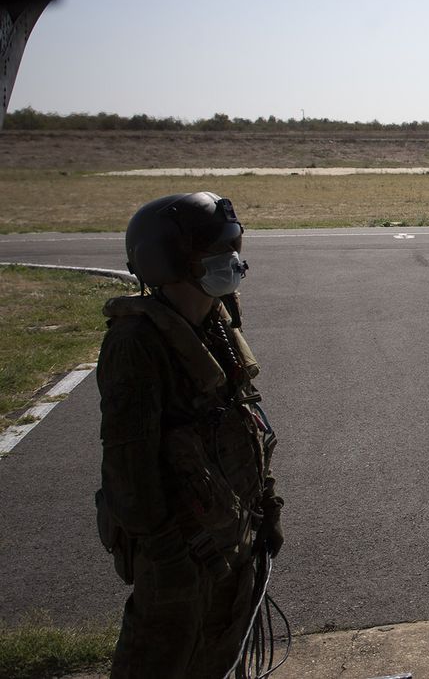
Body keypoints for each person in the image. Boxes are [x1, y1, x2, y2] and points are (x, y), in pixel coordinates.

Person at [94, 192, 283, 678]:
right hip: (181, 559)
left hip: (233, 542)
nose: (232, 263)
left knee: (222, 658)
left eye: (232, 251)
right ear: (171, 262)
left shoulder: (215, 323)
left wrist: (267, 507)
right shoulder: (137, 344)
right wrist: (169, 557)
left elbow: (246, 422)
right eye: (216, 255)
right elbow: (128, 470)